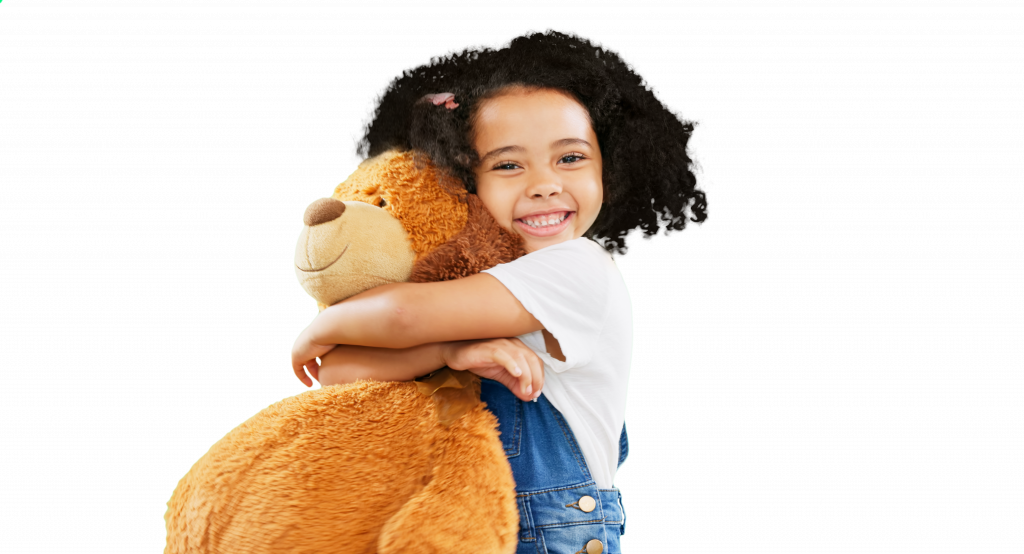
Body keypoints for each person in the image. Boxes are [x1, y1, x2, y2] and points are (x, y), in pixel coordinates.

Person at [289, 28, 711, 553]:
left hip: (549, 533)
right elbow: (336, 374)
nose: (543, 183)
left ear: (613, 167)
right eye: (508, 164)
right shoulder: (469, 287)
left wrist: (321, 325)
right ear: (469, 181)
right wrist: (450, 352)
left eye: (571, 158)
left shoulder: (579, 269)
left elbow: (398, 318)